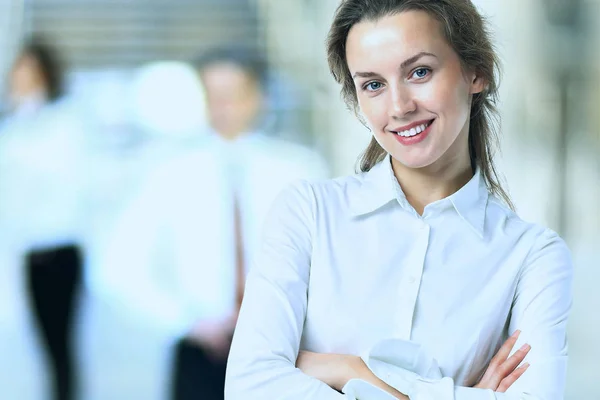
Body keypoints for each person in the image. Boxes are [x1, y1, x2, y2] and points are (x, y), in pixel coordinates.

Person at [225, 1, 573, 399]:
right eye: (373, 84)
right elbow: (248, 386)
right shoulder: (307, 213)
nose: (399, 106)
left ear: (476, 72)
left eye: (420, 72)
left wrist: (340, 369)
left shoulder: (533, 255)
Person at [96, 46, 329, 400]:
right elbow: (116, 266)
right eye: (212, 96)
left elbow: (331, 263)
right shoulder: (169, 174)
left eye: (233, 95)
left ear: (259, 98)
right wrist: (185, 321)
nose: (222, 107)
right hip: (201, 355)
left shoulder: (299, 170)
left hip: (287, 353)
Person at [0, 38, 86, 400]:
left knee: (60, 345)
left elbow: (56, 176)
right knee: (43, 342)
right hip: (29, 250)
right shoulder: (15, 125)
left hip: (61, 249)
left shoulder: (62, 121)